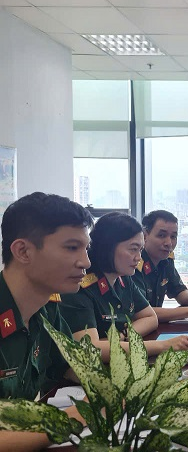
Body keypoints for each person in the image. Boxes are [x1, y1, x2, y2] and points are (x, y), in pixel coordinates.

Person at [0, 192, 93, 449]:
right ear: (23, 251)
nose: (86, 262)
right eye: (72, 247)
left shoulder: (47, 310)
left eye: (86, 248)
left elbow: (70, 367)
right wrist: (75, 418)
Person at [60, 212, 188, 362]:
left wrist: (121, 337)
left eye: (140, 250)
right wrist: (162, 345)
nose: (138, 257)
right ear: (108, 248)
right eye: (133, 249)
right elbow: (91, 349)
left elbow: (150, 318)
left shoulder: (123, 279)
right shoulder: (79, 287)